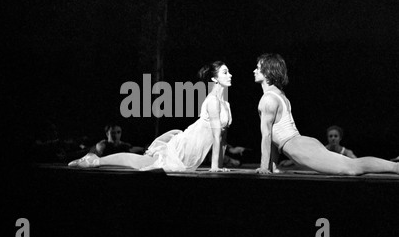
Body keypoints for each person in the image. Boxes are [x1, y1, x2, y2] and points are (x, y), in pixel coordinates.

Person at [68, 61, 233, 172]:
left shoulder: (225, 104)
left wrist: (218, 166)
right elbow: (216, 137)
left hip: (192, 153)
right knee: (143, 163)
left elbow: (222, 137)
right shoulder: (212, 102)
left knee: (144, 162)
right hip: (186, 146)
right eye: (225, 72)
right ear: (214, 79)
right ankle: (95, 160)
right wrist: (214, 168)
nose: (230, 75)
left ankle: (96, 160)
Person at [253, 53, 399, 175]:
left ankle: (395, 168)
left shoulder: (268, 99)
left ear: (268, 72)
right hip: (301, 144)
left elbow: (267, 136)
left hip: (298, 147)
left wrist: (264, 167)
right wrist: (271, 167)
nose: (254, 71)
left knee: (352, 167)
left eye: (258, 68)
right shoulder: (280, 96)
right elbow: (272, 138)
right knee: (351, 165)